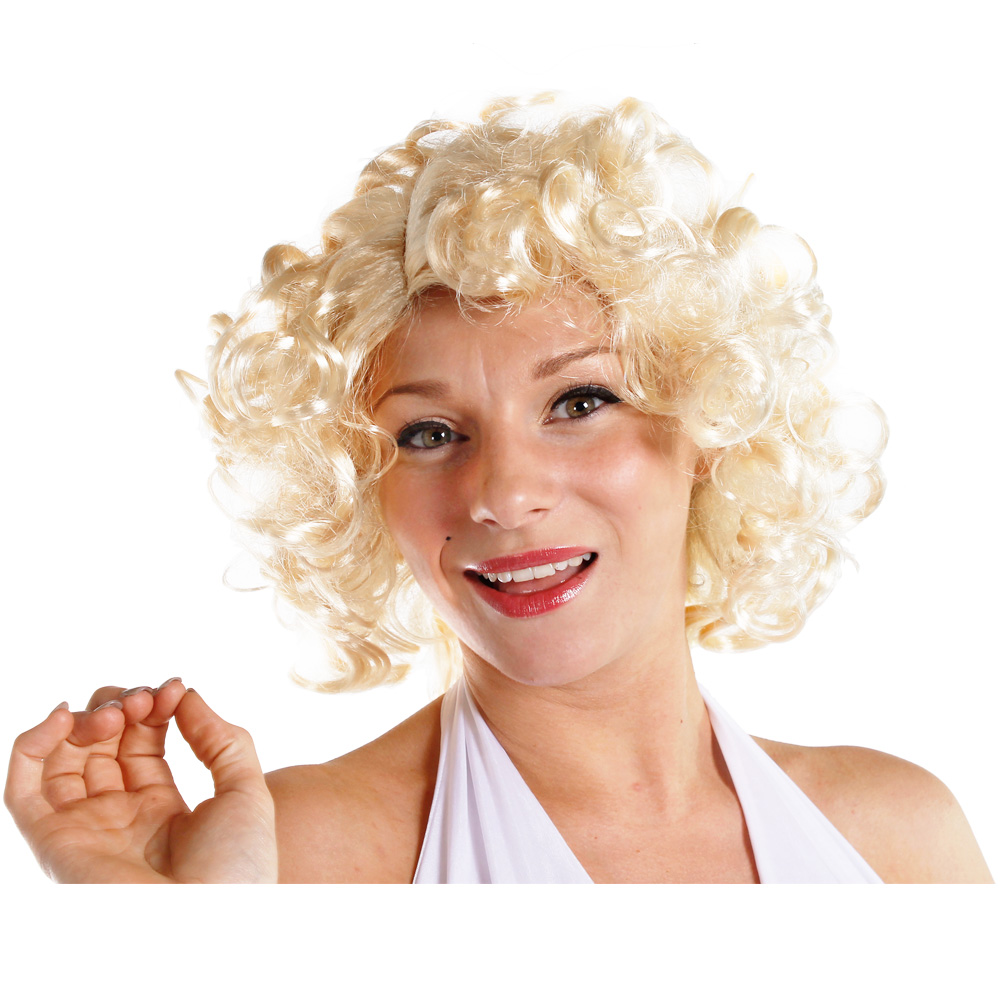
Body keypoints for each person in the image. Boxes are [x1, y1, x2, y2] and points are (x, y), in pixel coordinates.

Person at [5, 96, 992, 883]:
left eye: (578, 402)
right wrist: (166, 942)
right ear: (360, 484)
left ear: (705, 424)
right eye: (430, 434)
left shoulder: (897, 840)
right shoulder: (295, 854)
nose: (503, 495)